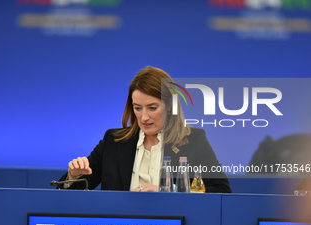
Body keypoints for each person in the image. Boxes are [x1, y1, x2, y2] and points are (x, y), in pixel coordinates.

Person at [58, 66, 231, 193]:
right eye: (138, 108)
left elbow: (221, 190)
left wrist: (166, 191)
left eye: (152, 108)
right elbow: (69, 195)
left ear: (169, 105)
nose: (144, 117)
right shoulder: (113, 140)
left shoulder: (193, 139)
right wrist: (73, 176)